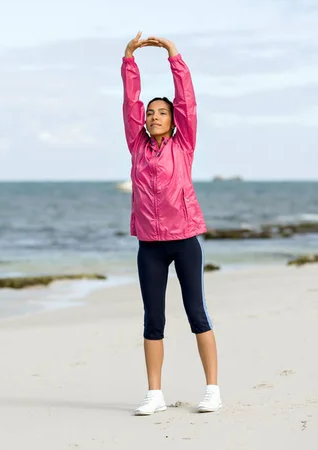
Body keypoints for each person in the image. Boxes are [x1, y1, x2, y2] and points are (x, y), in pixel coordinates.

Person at [121, 32, 222, 415]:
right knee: (153, 318)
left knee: (197, 313)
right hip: (149, 245)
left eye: (161, 112)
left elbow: (188, 102)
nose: (153, 116)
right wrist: (130, 59)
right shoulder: (137, 146)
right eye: (150, 113)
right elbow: (130, 103)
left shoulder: (184, 144)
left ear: (172, 119)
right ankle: (154, 394)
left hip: (185, 240)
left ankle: (212, 389)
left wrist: (173, 56)